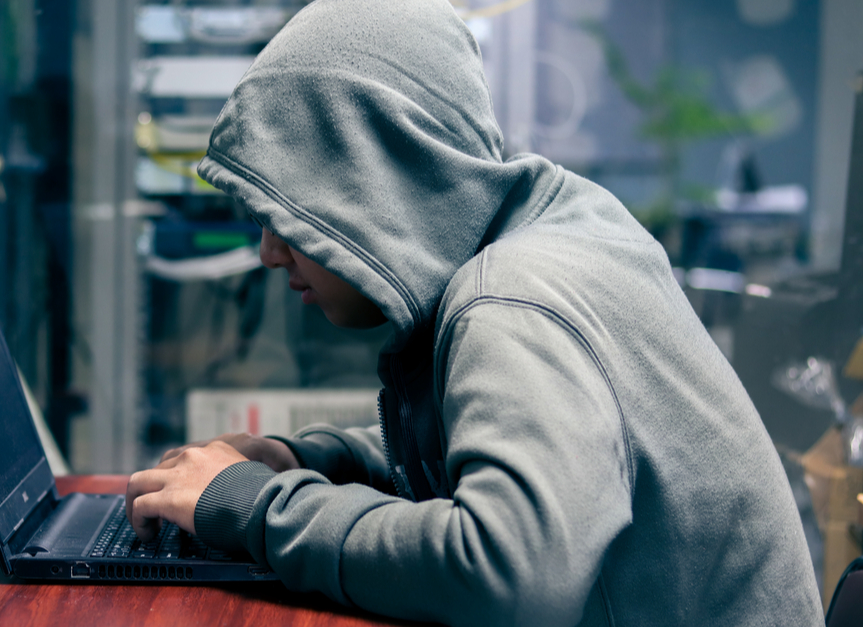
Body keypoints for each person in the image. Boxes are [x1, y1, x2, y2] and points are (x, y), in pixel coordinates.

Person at [125, 0, 823, 624]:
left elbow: (508, 576)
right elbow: (505, 452)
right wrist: (308, 461)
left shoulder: (512, 299)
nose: (270, 252)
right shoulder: (555, 222)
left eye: (287, 213)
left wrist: (255, 506)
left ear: (366, 179)